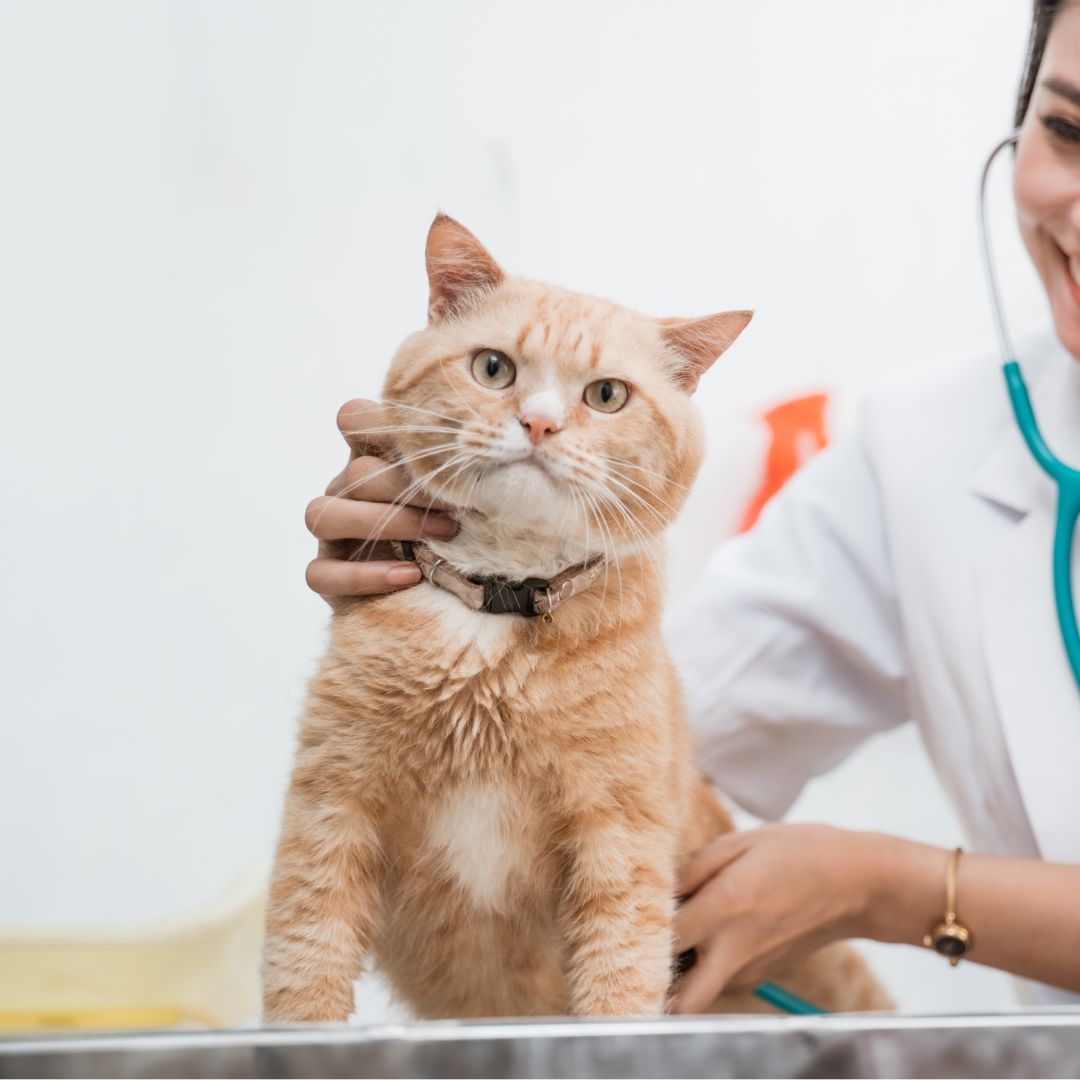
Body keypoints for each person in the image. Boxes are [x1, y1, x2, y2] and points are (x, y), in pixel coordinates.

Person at [302, 0, 1080, 1010]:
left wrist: (891, 888)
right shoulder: (926, 447)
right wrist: (455, 588)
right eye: (1066, 130)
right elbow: (645, 727)